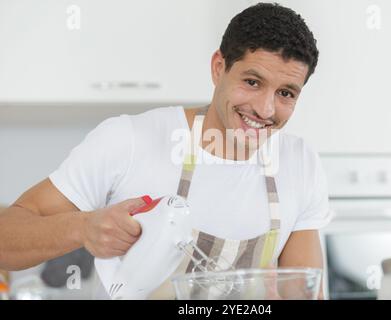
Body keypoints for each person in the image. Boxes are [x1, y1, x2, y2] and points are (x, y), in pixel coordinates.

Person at [0, 2, 332, 299]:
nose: (265, 108)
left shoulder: (300, 164)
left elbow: (302, 291)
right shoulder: (128, 140)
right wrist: (83, 228)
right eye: (252, 82)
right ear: (219, 68)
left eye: (286, 93)